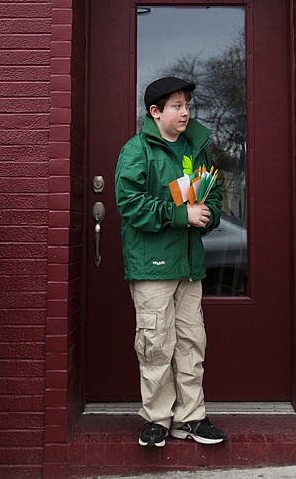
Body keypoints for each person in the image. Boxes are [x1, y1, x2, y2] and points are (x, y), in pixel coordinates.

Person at [115, 76, 226, 448]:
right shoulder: (137, 151)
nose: (185, 112)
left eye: (187, 106)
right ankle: (157, 418)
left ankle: (191, 418)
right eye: (177, 106)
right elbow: (130, 204)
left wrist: (209, 212)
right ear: (155, 112)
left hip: (189, 266)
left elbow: (214, 192)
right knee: (156, 344)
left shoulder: (195, 148)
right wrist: (182, 216)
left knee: (192, 342)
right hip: (152, 267)